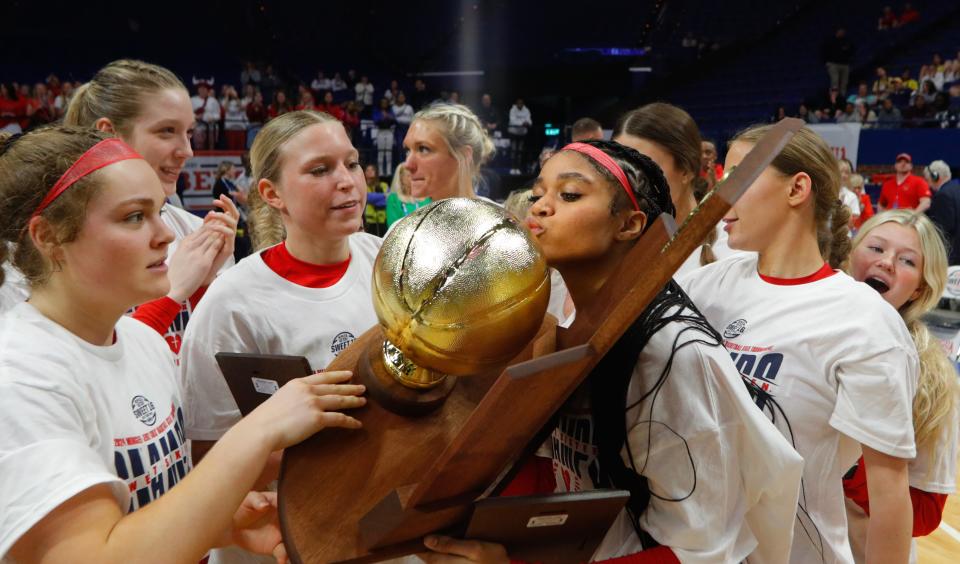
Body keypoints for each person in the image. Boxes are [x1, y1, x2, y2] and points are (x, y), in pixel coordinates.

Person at [421, 140, 803, 563]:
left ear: (629, 224)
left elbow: (699, 552)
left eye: (569, 194)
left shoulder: (672, 353)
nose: (540, 208)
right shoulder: (569, 326)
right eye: (537, 194)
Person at [0, 125, 366, 563]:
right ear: (49, 237)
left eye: (159, 211)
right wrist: (258, 431)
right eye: (135, 216)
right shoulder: (19, 374)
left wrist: (218, 523)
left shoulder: (142, 342)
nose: (166, 235)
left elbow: (148, 510)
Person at [679, 124, 918, 563]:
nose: (720, 193)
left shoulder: (864, 322)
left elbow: (889, 497)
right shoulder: (703, 289)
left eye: (738, 175)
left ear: (797, 188)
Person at [179, 110, 381, 476]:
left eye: (351, 164)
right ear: (273, 194)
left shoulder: (388, 259)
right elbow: (208, 452)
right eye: (320, 170)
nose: (347, 181)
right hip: (297, 515)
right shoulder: (232, 303)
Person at [63, 59, 238, 353]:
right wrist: (174, 292)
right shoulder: (51, 246)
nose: (187, 151)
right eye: (167, 131)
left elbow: (205, 367)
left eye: (189, 132)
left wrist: (205, 288)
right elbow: (90, 369)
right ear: (109, 134)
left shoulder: (193, 231)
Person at [842, 210, 959, 563]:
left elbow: (925, 513)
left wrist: (848, 466)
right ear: (849, 255)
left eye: (907, 260)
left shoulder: (933, 380)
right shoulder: (797, 327)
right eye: (876, 248)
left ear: (920, 287)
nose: (887, 262)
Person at [613, 103, 738, 276]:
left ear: (686, 170)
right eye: (621, 170)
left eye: (645, 169)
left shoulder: (732, 247)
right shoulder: (612, 245)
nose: (630, 183)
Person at [401, 103, 496, 202]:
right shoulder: (413, 218)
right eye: (408, 150)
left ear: (464, 156)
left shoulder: (499, 217)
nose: (408, 164)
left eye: (423, 149)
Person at [924, 159, 960, 264]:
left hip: (952, 256)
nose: (929, 185)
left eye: (928, 179)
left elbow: (942, 230)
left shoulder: (943, 195)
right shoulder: (956, 189)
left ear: (935, 176)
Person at [385, 164, 430, 229]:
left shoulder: (426, 198)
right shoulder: (394, 199)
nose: (413, 178)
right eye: (409, 175)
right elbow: (393, 225)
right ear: (401, 178)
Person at [822, 28, 855, 96]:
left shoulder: (847, 41)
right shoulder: (830, 40)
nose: (842, 32)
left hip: (844, 65)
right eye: (841, 31)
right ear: (837, 32)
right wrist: (826, 62)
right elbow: (823, 51)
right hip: (833, 64)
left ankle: (841, 99)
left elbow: (851, 51)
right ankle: (834, 99)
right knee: (835, 82)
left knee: (844, 83)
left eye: (843, 31)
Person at [363, 163, 389, 236]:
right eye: (367, 170)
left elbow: (388, 200)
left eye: (372, 170)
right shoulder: (363, 186)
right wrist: (383, 196)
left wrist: (374, 199)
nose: (370, 171)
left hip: (383, 221)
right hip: (369, 222)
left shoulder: (384, 185)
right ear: (364, 173)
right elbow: (367, 198)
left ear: (376, 172)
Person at [508, 98, 532, 174]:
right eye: (518, 103)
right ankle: (512, 167)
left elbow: (529, 121)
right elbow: (512, 120)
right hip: (513, 133)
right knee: (514, 150)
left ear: (523, 104)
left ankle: (518, 168)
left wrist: (527, 123)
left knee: (520, 151)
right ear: (516, 104)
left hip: (522, 134)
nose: (520, 104)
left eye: (521, 103)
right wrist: (522, 123)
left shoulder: (526, 110)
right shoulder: (513, 110)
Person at [839, 158, 861, 230]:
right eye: (841, 172)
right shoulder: (828, 192)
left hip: (845, 235)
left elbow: (854, 220)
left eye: (846, 173)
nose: (843, 175)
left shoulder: (852, 196)